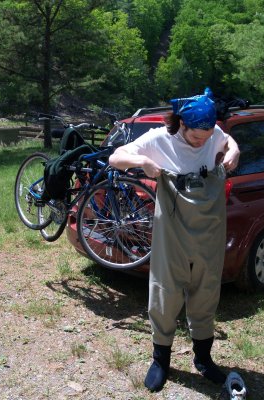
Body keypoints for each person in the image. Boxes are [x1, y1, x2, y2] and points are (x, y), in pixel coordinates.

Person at [109, 90, 240, 392]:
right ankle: (161, 360)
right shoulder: (158, 139)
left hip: (209, 227)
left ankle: (204, 359)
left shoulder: (212, 132)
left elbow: (225, 140)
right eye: (197, 138)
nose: (203, 142)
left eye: (208, 137)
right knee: (165, 290)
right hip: (172, 227)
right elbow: (115, 157)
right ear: (181, 124)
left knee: (206, 288)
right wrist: (142, 161)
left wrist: (232, 149)